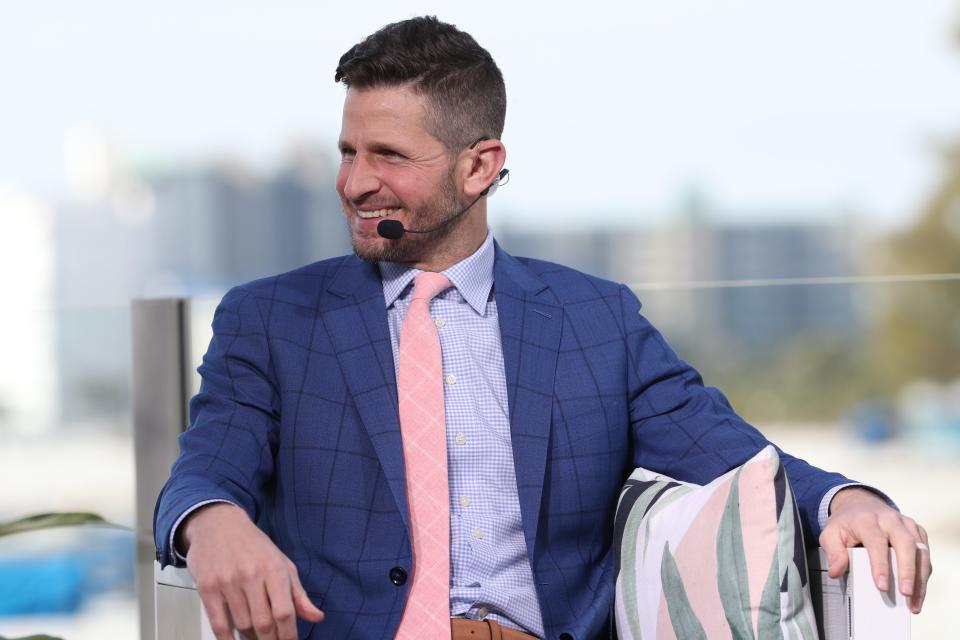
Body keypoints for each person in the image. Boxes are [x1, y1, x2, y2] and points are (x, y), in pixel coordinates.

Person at [154, 16, 932, 640]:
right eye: (348, 151)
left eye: (387, 156)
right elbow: (205, 468)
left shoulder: (596, 321)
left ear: (480, 167)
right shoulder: (271, 320)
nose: (355, 182)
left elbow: (729, 455)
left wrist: (848, 500)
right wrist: (214, 523)